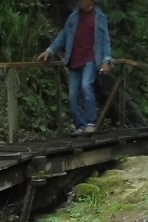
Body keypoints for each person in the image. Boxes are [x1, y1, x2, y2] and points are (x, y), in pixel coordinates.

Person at [38, 0, 113, 136]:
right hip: (74, 60)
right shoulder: (74, 17)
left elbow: (105, 41)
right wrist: (49, 51)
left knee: (86, 86)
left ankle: (90, 123)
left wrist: (106, 60)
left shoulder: (99, 18)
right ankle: (80, 125)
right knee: (72, 94)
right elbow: (63, 36)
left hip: (90, 59)